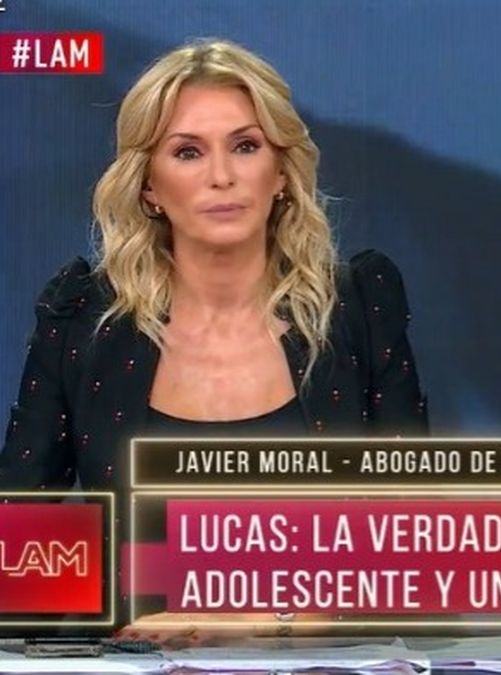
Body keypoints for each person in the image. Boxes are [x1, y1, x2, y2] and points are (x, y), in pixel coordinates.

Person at [0, 38, 428, 641]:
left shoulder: (357, 307)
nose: (222, 177)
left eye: (245, 146)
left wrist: (256, 622)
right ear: (148, 186)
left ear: (282, 172)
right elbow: (17, 553)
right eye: (188, 152)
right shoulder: (83, 321)